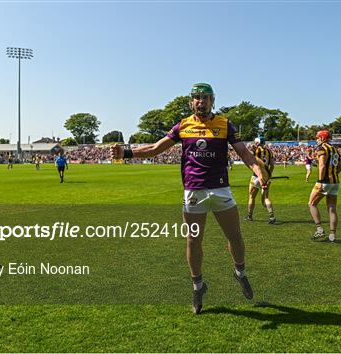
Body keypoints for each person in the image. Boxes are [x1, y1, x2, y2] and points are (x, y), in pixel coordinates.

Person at [110, 83, 267, 314]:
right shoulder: (183, 125)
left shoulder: (225, 124)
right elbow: (156, 148)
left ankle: (240, 272)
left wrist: (258, 170)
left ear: (213, 100)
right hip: (193, 192)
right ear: (190, 101)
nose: (200, 101)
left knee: (235, 236)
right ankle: (198, 286)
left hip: (221, 189)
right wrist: (127, 153)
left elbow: (244, 153)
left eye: (205, 97)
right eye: (196, 98)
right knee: (193, 241)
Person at [309, 130, 341, 243]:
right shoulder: (335, 149)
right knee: (332, 208)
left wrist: (320, 180)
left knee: (312, 204)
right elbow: (339, 168)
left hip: (325, 181)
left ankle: (319, 229)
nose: (316, 139)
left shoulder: (322, 148)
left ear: (322, 138)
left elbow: (322, 165)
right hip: (335, 182)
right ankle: (332, 235)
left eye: (317, 137)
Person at [245, 136, 276, 224]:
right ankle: (272, 216)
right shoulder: (269, 151)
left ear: (257, 142)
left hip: (256, 176)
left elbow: (249, 161)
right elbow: (272, 165)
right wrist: (269, 175)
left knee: (251, 196)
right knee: (266, 197)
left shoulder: (255, 150)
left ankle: (250, 215)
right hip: (266, 176)